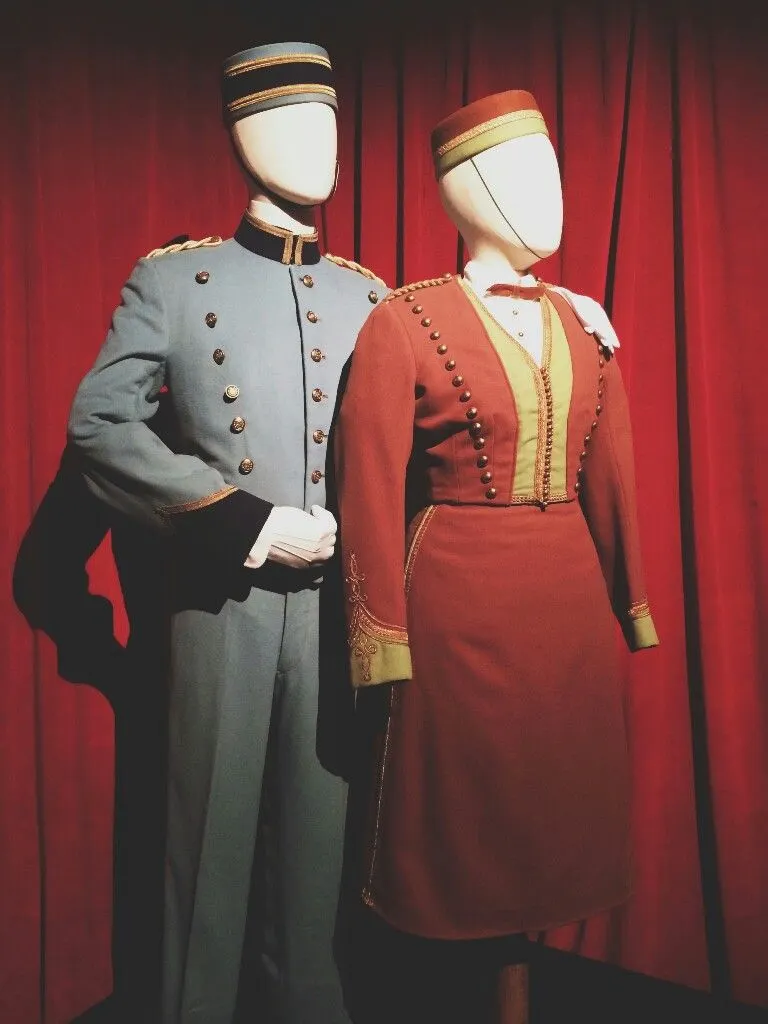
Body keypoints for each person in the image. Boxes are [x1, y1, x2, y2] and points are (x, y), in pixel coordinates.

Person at [66, 41, 385, 1024]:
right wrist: (244, 523)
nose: (322, 144)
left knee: (320, 872)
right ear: (244, 137)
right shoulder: (176, 281)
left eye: (331, 121)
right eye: (293, 122)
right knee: (204, 863)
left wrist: (548, 305)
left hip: (336, 620)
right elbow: (100, 425)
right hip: (221, 613)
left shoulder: (370, 295)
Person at [334, 89, 659, 1019]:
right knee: (469, 816)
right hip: (458, 600)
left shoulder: (583, 322)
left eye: (553, 175)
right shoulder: (404, 319)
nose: (548, 197)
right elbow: (366, 482)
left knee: (550, 811)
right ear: (463, 190)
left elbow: (613, 469)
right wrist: (379, 634)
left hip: (566, 601)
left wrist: (631, 603)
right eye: (521, 176)